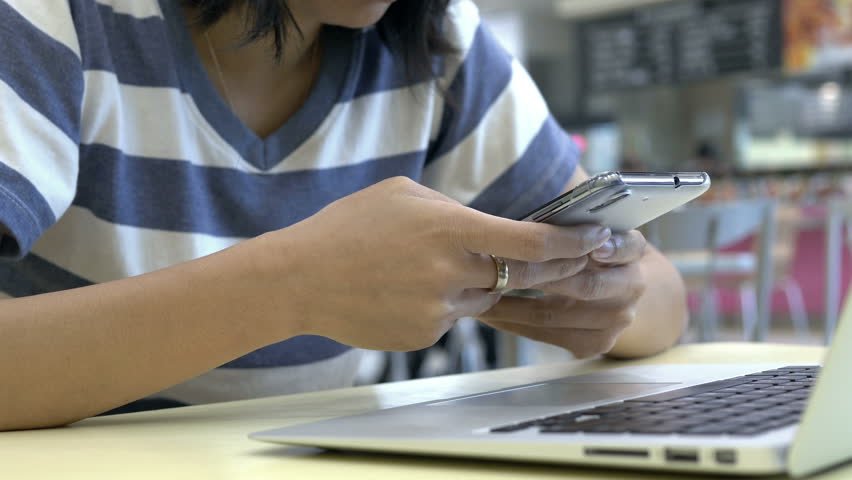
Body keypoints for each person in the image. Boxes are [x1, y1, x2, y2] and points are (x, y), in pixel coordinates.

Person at [0, 0, 688, 431]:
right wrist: (292, 287)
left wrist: (611, 299)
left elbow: (663, 295)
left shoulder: (440, 40)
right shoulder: (56, 20)